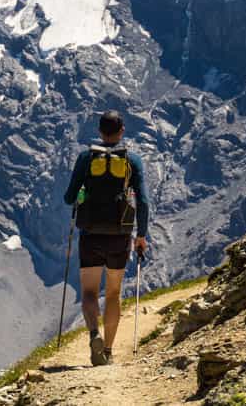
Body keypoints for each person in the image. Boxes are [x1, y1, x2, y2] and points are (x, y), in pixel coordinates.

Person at [64, 110, 149, 366]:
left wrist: (81, 194)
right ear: (122, 131)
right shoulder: (132, 160)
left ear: (100, 131)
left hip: (90, 234)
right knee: (113, 293)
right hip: (119, 236)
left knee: (89, 292)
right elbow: (142, 201)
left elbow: (69, 197)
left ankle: (93, 334)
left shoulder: (85, 157)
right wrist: (141, 236)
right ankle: (109, 352)